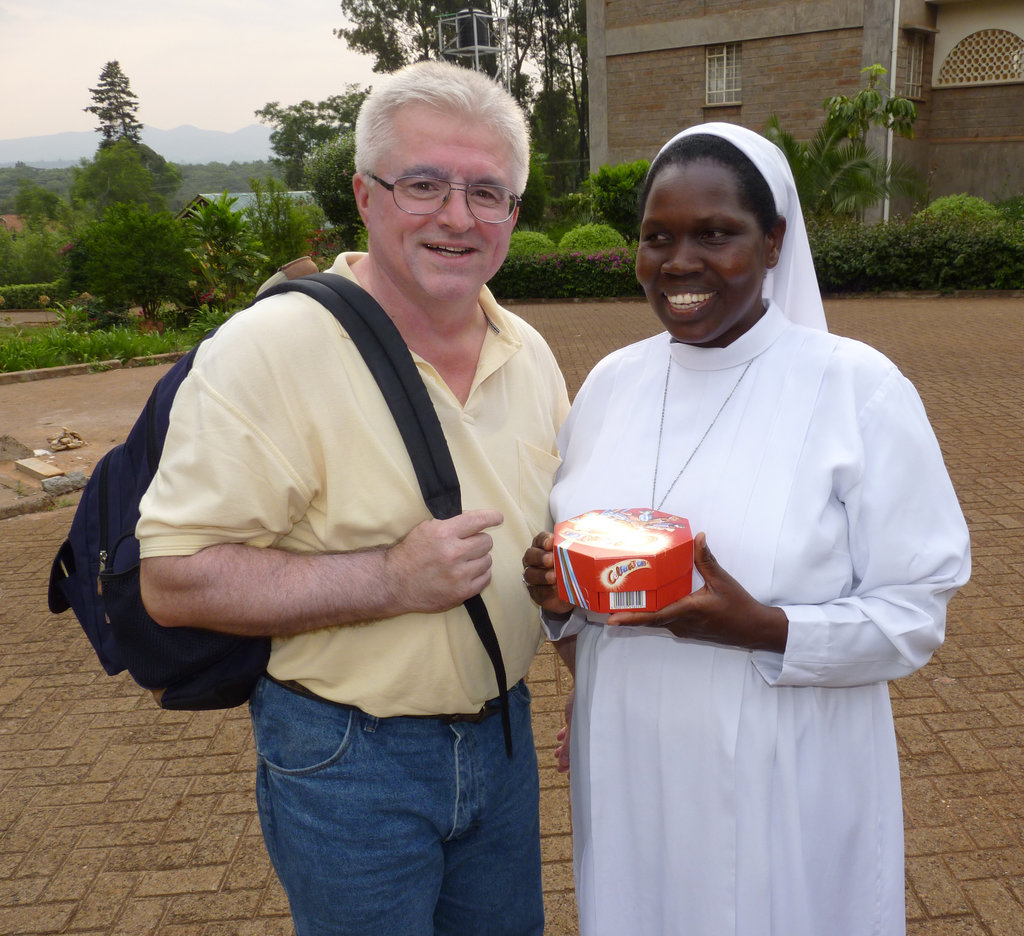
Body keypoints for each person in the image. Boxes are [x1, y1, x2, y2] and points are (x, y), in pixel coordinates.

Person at [137, 59, 569, 936]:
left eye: (489, 193)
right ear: (365, 196)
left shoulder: (529, 352)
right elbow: (174, 580)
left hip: (504, 734)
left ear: (514, 215)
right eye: (424, 184)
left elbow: (548, 553)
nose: (458, 217)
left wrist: (594, 694)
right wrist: (389, 580)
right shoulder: (268, 350)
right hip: (347, 758)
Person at [522, 122, 970, 936]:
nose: (680, 262)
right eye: (657, 237)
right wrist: (556, 593)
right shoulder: (612, 382)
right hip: (627, 755)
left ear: (773, 244)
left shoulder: (856, 388)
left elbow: (914, 614)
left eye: (716, 234)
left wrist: (763, 627)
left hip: (784, 762)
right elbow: (584, 568)